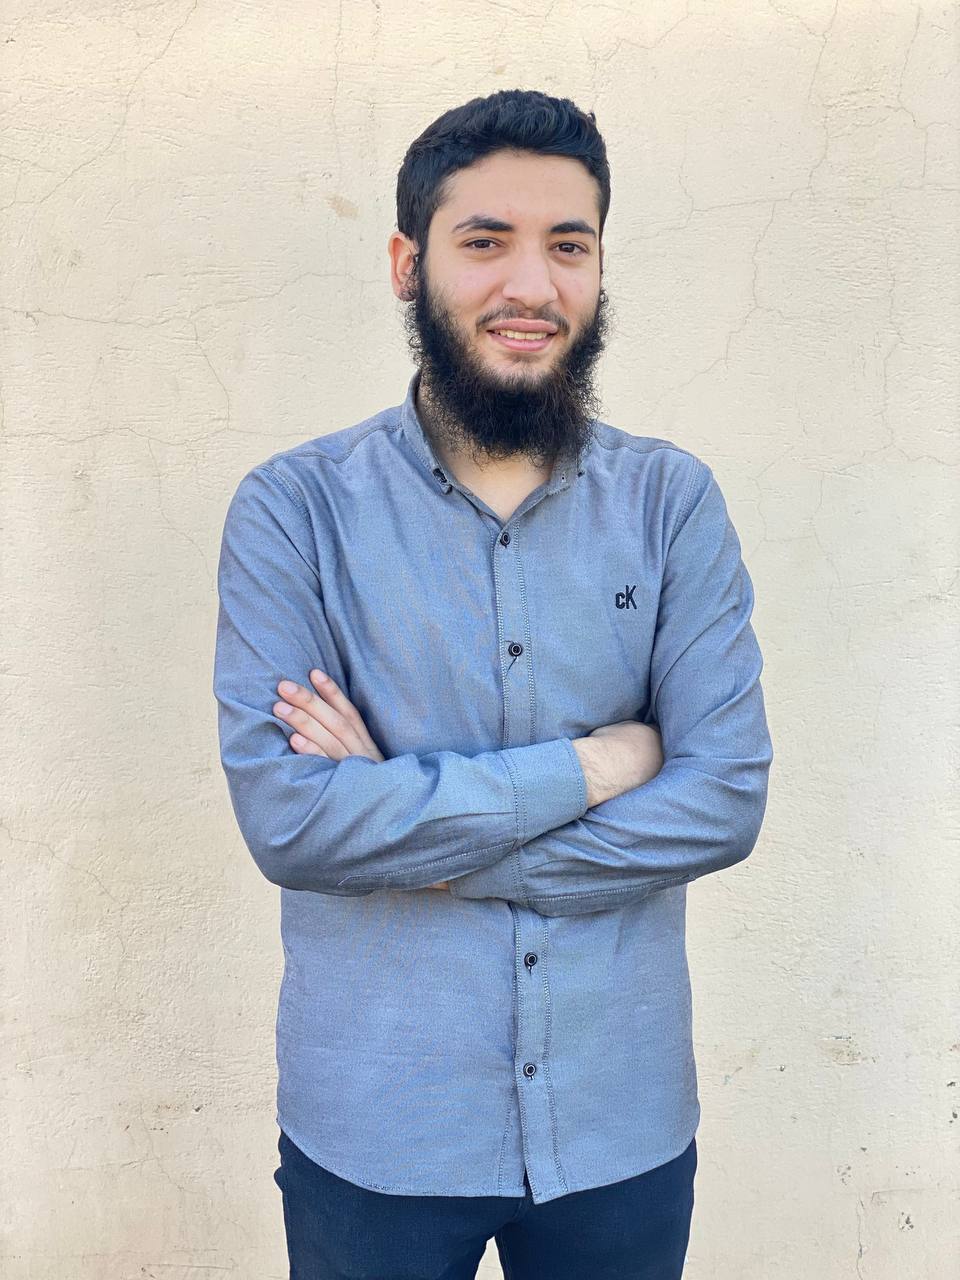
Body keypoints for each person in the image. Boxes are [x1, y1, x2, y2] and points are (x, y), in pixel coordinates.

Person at [213, 88, 774, 1280]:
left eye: (569, 245)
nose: (532, 285)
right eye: (485, 241)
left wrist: (416, 837)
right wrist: (597, 764)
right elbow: (291, 820)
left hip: (620, 1120)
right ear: (407, 264)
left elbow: (724, 798)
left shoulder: (672, 504)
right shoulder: (294, 510)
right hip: (378, 1128)